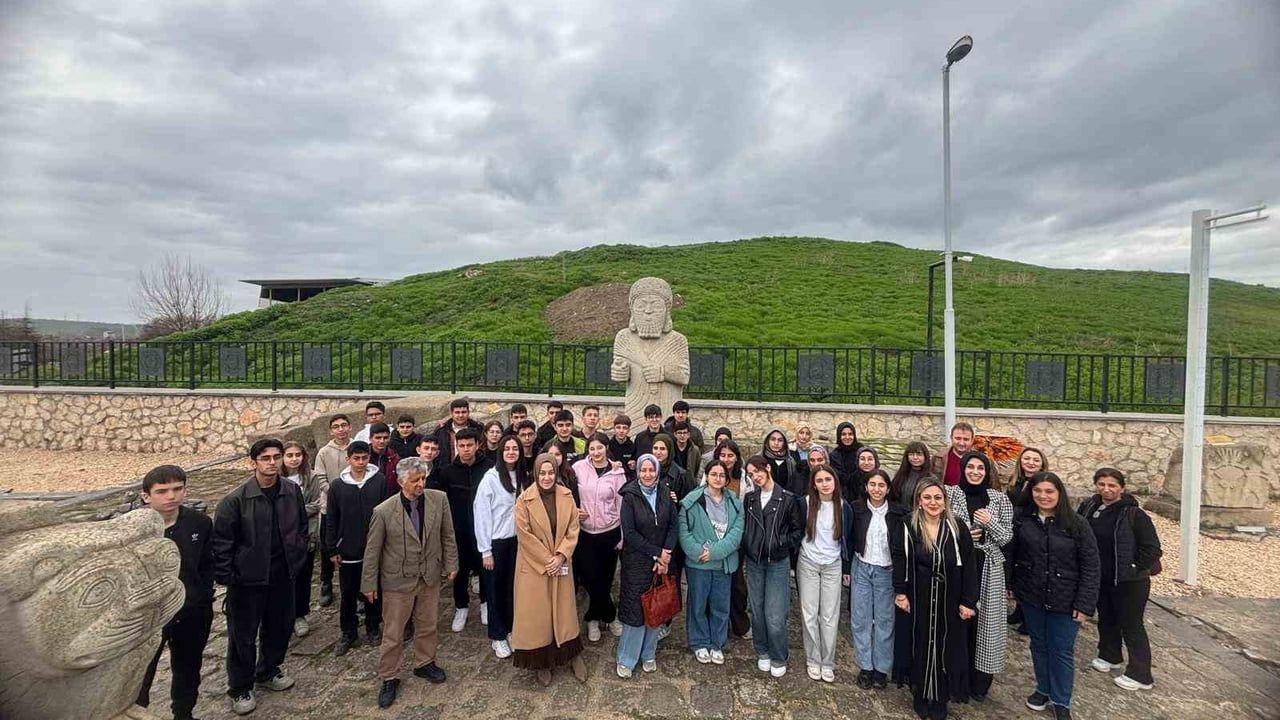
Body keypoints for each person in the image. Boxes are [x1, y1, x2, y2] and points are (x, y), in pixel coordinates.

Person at [212, 438, 309, 716]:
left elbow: (301, 525)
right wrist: (230, 576)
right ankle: (240, 686)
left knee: (280, 626)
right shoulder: (235, 500)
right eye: (265, 458)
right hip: (247, 580)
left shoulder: (291, 491)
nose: (272, 462)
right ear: (253, 462)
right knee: (242, 637)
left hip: (283, 574)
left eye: (276, 457)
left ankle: (269, 670)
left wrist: (298, 553)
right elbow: (222, 543)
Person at [362, 457, 458, 709]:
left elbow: (447, 534)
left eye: (423, 478)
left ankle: (424, 663)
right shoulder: (383, 511)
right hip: (397, 581)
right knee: (393, 633)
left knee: (428, 624)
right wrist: (368, 583)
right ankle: (389, 676)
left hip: (429, 575)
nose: (421, 484)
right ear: (402, 480)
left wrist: (452, 564)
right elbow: (373, 551)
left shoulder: (439, 500)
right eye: (415, 480)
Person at [1009, 472, 1101, 720]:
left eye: (1049, 491)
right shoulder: (1024, 521)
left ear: (1059, 494)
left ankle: (1061, 700)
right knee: (1039, 645)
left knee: (1061, 650)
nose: (1043, 496)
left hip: (1066, 599)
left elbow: (1091, 565)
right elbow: (1014, 555)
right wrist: (1012, 586)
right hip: (1033, 596)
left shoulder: (1077, 524)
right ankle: (1043, 688)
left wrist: (1085, 603)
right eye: (1038, 491)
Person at [891, 479, 979, 720]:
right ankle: (920, 692)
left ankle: (940, 696)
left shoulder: (957, 527)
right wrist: (900, 592)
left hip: (949, 598)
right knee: (920, 643)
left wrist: (969, 601)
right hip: (919, 597)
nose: (933, 502)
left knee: (945, 646)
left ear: (945, 501)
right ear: (919, 500)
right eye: (927, 497)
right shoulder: (908, 525)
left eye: (937, 498)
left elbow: (970, 565)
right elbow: (900, 560)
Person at [136, 465, 214, 720]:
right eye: (162, 491)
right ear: (146, 496)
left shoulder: (200, 523)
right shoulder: (133, 531)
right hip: (147, 618)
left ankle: (184, 714)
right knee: (139, 675)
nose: (171, 496)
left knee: (188, 669)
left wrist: (202, 595)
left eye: (177, 489)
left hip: (191, 612)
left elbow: (207, 563)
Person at [1078, 467, 1161, 693]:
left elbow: (1152, 548)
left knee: (1131, 624)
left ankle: (1140, 673)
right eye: (1102, 484)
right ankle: (1110, 654)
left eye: (1112, 485)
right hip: (1102, 577)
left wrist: (1133, 568)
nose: (1106, 489)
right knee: (1107, 618)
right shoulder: (1090, 507)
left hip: (1129, 581)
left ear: (1121, 488)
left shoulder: (1134, 514)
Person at [512, 453, 588, 686]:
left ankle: (572, 654)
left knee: (565, 613)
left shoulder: (566, 496)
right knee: (538, 617)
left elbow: (573, 529)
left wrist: (561, 555)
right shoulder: (524, 501)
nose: (547, 477)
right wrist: (549, 560)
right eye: (542, 473)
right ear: (535, 474)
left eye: (551, 472)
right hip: (535, 568)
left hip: (561, 563)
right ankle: (541, 662)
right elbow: (525, 536)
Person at [945, 451, 1015, 701]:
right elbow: (940, 525)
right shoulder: (950, 493)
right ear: (963, 469)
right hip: (960, 566)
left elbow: (1007, 537)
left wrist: (990, 523)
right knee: (959, 622)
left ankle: (979, 682)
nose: (975, 472)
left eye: (980, 468)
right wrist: (963, 533)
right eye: (970, 467)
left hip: (988, 567)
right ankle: (956, 680)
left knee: (985, 625)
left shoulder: (999, 500)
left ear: (987, 472)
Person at [616, 454, 679, 677]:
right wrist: (657, 553)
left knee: (656, 607)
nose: (648, 474)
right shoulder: (630, 496)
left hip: (662, 560)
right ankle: (627, 658)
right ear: (638, 472)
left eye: (651, 470)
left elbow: (673, 524)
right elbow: (630, 533)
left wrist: (667, 554)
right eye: (643, 470)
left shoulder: (664, 491)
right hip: (637, 561)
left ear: (657, 471)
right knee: (636, 612)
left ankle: (648, 653)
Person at [742, 454, 804, 678]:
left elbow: (798, 531)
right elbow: (746, 527)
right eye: (750, 474)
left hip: (777, 562)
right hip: (755, 562)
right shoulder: (749, 499)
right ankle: (762, 650)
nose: (755, 476)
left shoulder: (788, 498)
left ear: (767, 468)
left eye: (757, 471)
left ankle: (779, 655)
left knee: (775, 614)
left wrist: (779, 544)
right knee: (757, 610)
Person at [327, 441, 390, 656]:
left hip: (374, 547)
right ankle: (348, 631)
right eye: (356, 458)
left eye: (364, 458)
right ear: (348, 459)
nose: (361, 462)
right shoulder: (337, 486)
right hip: (348, 548)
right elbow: (332, 518)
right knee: (348, 592)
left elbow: (387, 513)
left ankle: (373, 627)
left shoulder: (379, 481)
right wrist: (332, 548)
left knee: (373, 590)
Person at [679, 461, 744, 666]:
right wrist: (698, 552)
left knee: (720, 605)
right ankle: (699, 642)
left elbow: (737, 531)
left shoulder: (734, 502)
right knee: (698, 604)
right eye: (713, 474)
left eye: (721, 475)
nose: (717, 478)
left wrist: (716, 551)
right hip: (699, 564)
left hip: (722, 563)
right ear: (706, 476)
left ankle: (717, 642)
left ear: (726, 479)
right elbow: (683, 530)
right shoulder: (691, 500)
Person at [850, 468, 906, 690]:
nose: (876, 489)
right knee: (860, 619)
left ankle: (881, 669)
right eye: (872, 484)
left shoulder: (898, 513)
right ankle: (865, 666)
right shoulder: (857, 509)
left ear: (888, 488)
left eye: (881, 485)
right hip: (862, 566)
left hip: (886, 570)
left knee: (884, 621)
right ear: (866, 487)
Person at [797, 464, 853, 683]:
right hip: (809, 562)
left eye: (828, 479)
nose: (824, 484)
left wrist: (846, 568)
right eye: (819, 480)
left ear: (835, 481)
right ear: (814, 484)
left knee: (830, 616)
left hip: (833, 564)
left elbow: (848, 538)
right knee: (809, 613)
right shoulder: (806, 504)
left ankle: (827, 662)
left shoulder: (843, 507)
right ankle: (813, 658)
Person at [572, 433, 629, 642]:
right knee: (591, 578)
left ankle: (593, 619)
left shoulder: (617, 473)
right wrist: (574, 510)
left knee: (605, 579)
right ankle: (610, 615)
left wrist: (622, 536)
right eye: (592, 449)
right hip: (585, 533)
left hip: (609, 532)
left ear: (606, 448)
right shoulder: (578, 468)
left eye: (600, 448)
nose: (596, 453)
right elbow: (568, 493)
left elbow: (622, 506)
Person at [475, 435, 527, 659]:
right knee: (495, 590)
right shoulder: (491, 478)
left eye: (515, 448)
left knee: (512, 589)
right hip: (496, 543)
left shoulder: (523, 476)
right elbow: (482, 515)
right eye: (507, 448)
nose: (511, 452)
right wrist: (485, 550)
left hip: (518, 542)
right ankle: (497, 636)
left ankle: (511, 629)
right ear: (501, 452)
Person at [439, 427, 492, 632]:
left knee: (485, 569)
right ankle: (461, 607)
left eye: (470, 445)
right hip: (458, 531)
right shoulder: (447, 472)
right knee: (459, 573)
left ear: (477, 445)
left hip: (483, 530)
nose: (466, 449)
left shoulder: (489, 468)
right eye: (461, 446)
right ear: (456, 446)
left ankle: (486, 604)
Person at [281, 441, 322, 638]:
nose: (294, 458)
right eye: (289, 455)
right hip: (281, 537)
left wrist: (293, 511)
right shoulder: (276, 478)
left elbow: (316, 504)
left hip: (305, 534)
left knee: (303, 577)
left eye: (298, 454)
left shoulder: (311, 477)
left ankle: (299, 615)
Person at [1006, 447, 1048, 634]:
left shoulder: (1044, 483)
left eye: (1035, 460)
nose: (1030, 462)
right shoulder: (1016, 481)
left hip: (1033, 530)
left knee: (1031, 573)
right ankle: (1019, 610)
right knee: (1019, 571)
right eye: (1027, 459)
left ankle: (1029, 619)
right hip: (1016, 529)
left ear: (1042, 463)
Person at [313, 414, 352, 606]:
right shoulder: (323, 452)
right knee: (328, 546)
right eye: (336, 426)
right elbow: (320, 478)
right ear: (331, 430)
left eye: (344, 425)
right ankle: (326, 582)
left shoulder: (356, 447)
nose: (341, 429)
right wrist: (337, 495)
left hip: (352, 506)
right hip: (329, 505)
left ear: (350, 427)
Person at [932, 422, 976, 487]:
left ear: (972, 440)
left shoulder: (980, 460)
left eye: (966, 439)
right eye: (958, 438)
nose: (961, 443)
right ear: (951, 438)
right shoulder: (938, 458)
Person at [761, 427, 801, 496]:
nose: (776, 443)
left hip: (785, 499)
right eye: (773, 439)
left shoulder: (790, 461)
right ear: (767, 440)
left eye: (780, 440)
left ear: (784, 443)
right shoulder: (760, 458)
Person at [829, 422, 864, 497]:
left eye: (850, 434)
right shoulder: (834, 455)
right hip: (842, 494)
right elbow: (838, 476)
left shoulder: (862, 452)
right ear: (839, 436)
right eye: (843, 434)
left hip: (862, 492)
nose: (847, 437)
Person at [891, 441, 932, 505]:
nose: (915, 457)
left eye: (919, 454)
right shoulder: (900, 475)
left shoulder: (930, 478)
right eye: (911, 454)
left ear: (925, 457)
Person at [367, 423, 401, 496]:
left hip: (389, 498)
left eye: (385, 438)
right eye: (378, 438)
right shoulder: (363, 457)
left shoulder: (395, 458)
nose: (382, 441)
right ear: (370, 438)